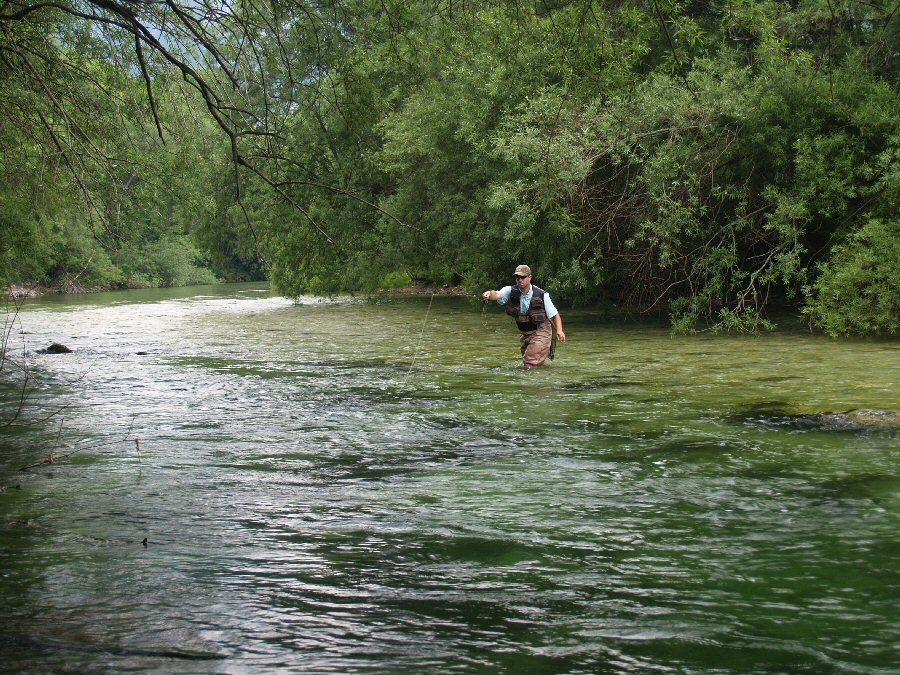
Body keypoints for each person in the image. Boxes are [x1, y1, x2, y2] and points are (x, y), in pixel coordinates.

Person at [481, 264, 567, 368]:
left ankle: (531, 383)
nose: (519, 280)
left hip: (542, 331)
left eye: (523, 277)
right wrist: (490, 294)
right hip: (526, 333)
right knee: (529, 361)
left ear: (530, 277)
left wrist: (559, 330)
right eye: (517, 277)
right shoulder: (510, 290)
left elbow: (555, 315)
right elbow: (498, 295)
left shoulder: (541, 295)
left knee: (529, 362)